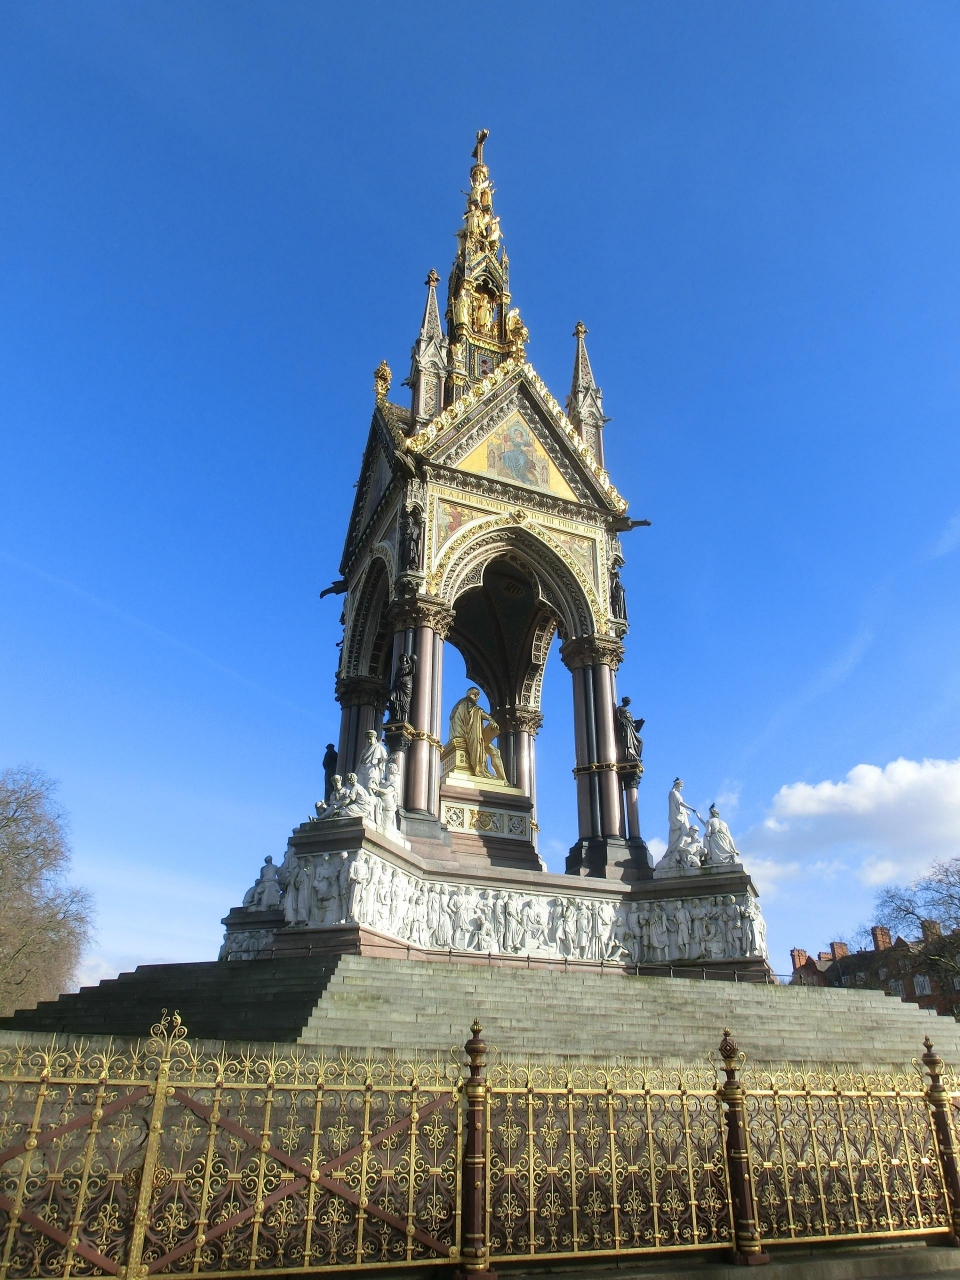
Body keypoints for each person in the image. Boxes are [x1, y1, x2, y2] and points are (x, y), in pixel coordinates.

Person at [448, 687, 506, 781]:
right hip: (468, 737)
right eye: (477, 697)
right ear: (475, 695)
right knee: (495, 752)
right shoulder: (468, 702)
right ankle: (503, 780)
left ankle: (503, 781)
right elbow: (477, 710)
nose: (477, 699)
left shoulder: (459, 704)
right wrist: (490, 719)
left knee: (494, 751)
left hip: (462, 736)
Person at [615, 697, 644, 766]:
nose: (628, 703)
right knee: (627, 740)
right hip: (626, 727)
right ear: (624, 701)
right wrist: (623, 723)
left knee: (640, 741)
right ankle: (628, 756)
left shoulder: (627, 711)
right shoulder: (619, 709)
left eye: (629, 702)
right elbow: (619, 719)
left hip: (631, 727)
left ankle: (634, 755)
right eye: (628, 701)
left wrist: (639, 721)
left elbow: (632, 720)